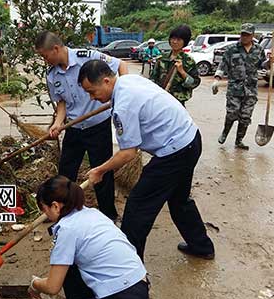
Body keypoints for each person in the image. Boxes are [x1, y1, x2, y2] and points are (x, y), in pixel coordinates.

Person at [78, 60, 215, 261]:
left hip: (174, 152)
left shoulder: (123, 106)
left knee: (137, 207)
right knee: (179, 200)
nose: (92, 98)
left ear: (106, 81)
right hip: (191, 139)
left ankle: (129, 269)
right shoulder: (128, 80)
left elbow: (128, 153)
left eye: (92, 92)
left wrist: (100, 170)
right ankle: (202, 247)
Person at [30, 175, 149, 299]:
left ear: (56, 206)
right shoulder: (92, 214)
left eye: (44, 209)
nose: (45, 215)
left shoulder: (67, 229)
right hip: (139, 292)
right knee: (71, 267)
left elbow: (52, 286)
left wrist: (34, 284)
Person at [35, 31, 128, 221]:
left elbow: (121, 65)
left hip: (97, 126)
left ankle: (109, 215)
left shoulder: (88, 58)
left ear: (55, 48)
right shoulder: (52, 75)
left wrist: (123, 95)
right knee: (65, 173)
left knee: (102, 171)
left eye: (45, 56)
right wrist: (58, 123)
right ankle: (62, 212)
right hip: (74, 128)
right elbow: (61, 102)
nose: (45, 60)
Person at [212, 23, 274, 150]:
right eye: (242, 34)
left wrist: (270, 62)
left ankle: (239, 140)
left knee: (246, 117)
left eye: (247, 35)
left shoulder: (258, 49)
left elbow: (262, 65)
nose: (244, 37)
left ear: (252, 35)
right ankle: (225, 133)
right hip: (235, 88)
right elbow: (222, 65)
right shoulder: (231, 49)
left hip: (251, 89)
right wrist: (216, 79)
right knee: (232, 113)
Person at [150, 25, 200, 107]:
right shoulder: (162, 58)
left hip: (177, 102)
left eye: (179, 40)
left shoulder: (188, 61)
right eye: (173, 38)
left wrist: (182, 72)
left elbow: (194, 83)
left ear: (185, 42)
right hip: (160, 100)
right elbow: (153, 78)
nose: (175, 42)